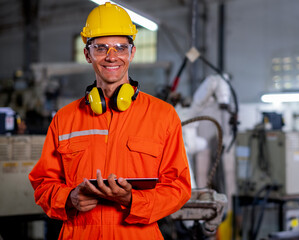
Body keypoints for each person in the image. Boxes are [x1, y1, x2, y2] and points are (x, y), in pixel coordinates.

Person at [28, 2, 191, 240]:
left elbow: (178, 188)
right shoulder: (65, 119)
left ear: (132, 52)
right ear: (87, 54)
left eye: (120, 48)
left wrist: (133, 200)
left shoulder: (163, 116)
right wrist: (69, 198)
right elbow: (43, 183)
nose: (111, 56)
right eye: (101, 47)